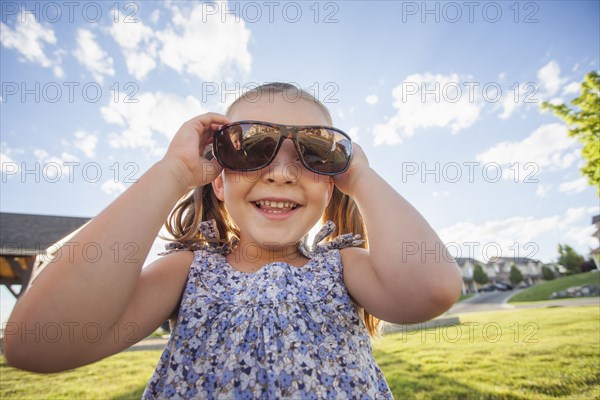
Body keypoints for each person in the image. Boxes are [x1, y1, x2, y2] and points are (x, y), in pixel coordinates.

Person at [4, 82, 463, 399]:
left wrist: (362, 176)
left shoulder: (346, 267)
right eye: (251, 148)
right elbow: (39, 342)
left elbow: (432, 289)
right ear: (219, 181)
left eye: (314, 153)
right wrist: (173, 173)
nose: (281, 173)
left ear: (331, 182)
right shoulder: (189, 271)